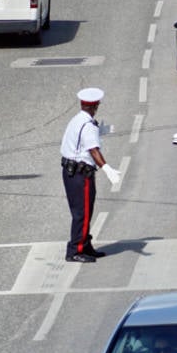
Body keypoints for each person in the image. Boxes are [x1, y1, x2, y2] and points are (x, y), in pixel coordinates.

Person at [60, 87, 121, 263]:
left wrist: (100, 131)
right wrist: (107, 169)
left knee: (84, 211)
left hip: (72, 171)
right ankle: (75, 250)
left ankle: (85, 245)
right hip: (80, 174)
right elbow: (93, 150)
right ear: (95, 106)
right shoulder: (88, 126)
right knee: (82, 213)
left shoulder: (78, 120)